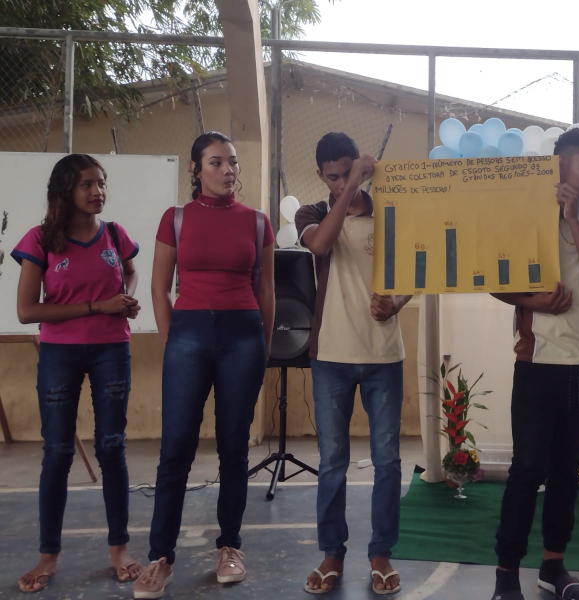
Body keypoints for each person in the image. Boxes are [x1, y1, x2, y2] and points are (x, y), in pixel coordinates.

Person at [133, 132, 275, 598]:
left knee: (234, 449)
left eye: (232, 162)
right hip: (188, 336)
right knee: (175, 448)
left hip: (243, 337)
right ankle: (160, 558)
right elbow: (159, 287)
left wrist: (263, 345)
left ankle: (230, 546)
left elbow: (267, 292)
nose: (228, 170)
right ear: (195, 170)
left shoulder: (257, 222)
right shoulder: (175, 220)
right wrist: (173, 341)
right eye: (216, 163)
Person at [490, 127, 579, 600]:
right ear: (560, 165)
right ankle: (506, 574)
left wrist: (572, 219)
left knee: (568, 469)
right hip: (540, 361)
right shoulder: (527, 216)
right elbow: (496, 280)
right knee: (527, 469)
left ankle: (553, 567)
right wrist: (535, 301)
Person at [12, 154, 142, 592]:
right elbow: (27, 310)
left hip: (112, 350)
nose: (97, 191)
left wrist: (126, 298)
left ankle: (119, 550)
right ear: (65, 189)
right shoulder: (41, 239)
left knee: (111, 448)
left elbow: (130, 271)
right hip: (59, 355)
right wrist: (96, 306)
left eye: (101, 183)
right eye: (87, 184)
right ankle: (48, 556)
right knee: (57, 454)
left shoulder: (115, 234)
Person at [295, 132, 412, 595]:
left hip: (385, 355)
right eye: (334, 177)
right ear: (323, 176)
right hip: (330, 357)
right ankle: (332, 555)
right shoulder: (311, 215)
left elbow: (413, 270)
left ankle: (381, 553)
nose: (343, 182)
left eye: (349, 172)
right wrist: (349, 191)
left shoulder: (390, 213)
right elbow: (321, 247)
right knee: (332, 463)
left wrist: (399, 301)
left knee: (388, 462)